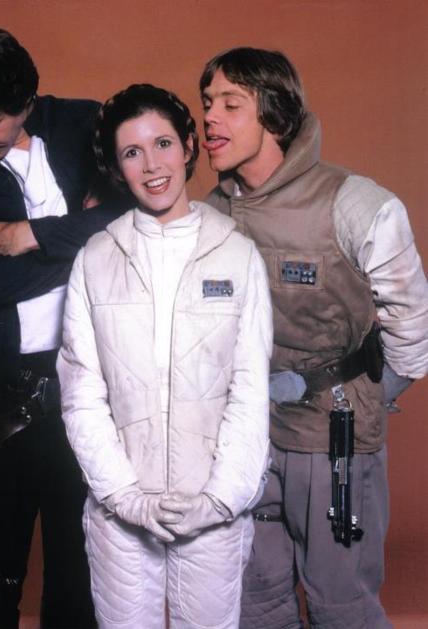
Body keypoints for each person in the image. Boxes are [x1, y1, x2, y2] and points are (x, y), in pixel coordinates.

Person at [199, 47, 428, 628]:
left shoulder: (356, 204)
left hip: (332, 442)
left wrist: (364, 394)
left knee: (341, 604)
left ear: (274, 115)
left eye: (230, 104)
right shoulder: (209, 215)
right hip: (246, 442)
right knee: (256, 602)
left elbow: (413, 329)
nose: (209, 118)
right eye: (207, 103)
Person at [56, 83, 273, 629]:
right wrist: (124, 497)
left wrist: (220, 501)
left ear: (188, 147)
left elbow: (250, 391)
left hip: (213, 511)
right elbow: (82, 394)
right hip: (120, 518)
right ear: (117, 168)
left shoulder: (237, 254)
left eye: (163, 144)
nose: (152, 165)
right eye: (132, 152)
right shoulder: (96, 259)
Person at [0, 25, 120, 629]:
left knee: (78, 569)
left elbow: (141, 210)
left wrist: (33, 235)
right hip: (1, 393)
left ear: (24, 98)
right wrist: (87, 242)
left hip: (91, 381)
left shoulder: (87, 124)